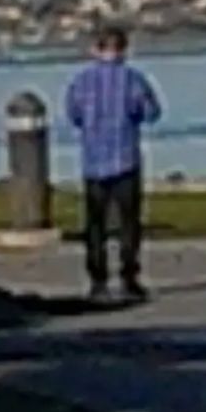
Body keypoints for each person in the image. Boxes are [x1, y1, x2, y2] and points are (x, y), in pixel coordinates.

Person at [64, 26, 163, 303]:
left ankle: (97, 280)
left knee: (95, 224)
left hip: (93, 162)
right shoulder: (133, 80)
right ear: (124, 49)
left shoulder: (81, 81)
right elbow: (151, 113)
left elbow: (73, 114)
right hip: (126, 159)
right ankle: (128, 276)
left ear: (96, 49)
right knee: (129, 223)